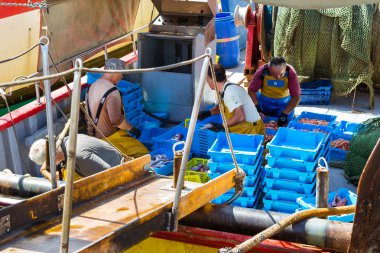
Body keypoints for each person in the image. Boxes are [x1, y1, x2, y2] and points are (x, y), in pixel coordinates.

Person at [86, 58, 148, 157]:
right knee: (143, 152)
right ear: (115, 72)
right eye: (121, 73)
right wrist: (132, 129)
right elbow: (116, 120)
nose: (122, 76)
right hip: (109, 139)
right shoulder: (112, 92)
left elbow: (88, 118)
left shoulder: (92, 87)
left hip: (92, 138)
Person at [198, 64, 265, 135]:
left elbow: (240, 117)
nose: (207, 81)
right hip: (242, 128)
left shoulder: (230, 92)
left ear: (213, 80)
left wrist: (221, 126)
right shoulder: (223, 90)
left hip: (251, 130)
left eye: (207, 79)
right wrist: (208, 113)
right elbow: (221, 108)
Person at [29, 134, 123, 180]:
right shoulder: (67, 141)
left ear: (52, 160)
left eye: (48, 164)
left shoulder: (78, 156)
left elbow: (111, 175)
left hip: (119, 170)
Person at [248, 57, 301, 126]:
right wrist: (257, 106)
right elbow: (251, 90)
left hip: (284, 105)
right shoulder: (262, 71)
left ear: (285, 69)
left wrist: (285, 113)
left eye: (281, 74)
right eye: (274, 74)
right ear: (269, 69)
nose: (278, 77)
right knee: (258, 124)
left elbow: (296, 96)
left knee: (286, 124)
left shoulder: (291, 73)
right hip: (264, 103)